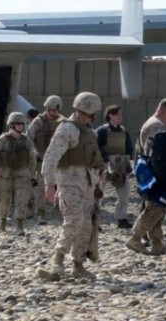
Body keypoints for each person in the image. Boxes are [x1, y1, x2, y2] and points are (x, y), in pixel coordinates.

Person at [36, 92, 105, 281]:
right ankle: (57, 261)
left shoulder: (88, 132)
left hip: (87, 183)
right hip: (68, 182)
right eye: (93, 113)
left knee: (85, 224)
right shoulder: (67, 129)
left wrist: (99, 181)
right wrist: (49, 184)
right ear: (88, 112)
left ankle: (78, 264)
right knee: (74, 220)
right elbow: (51, 157)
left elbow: (94, 160)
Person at [126, 98, 166, 256]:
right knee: (157, 207)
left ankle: (157, 243)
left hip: (148, 171)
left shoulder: (151, 123)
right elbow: (154, 151)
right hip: (153, 172)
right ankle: (135, 238)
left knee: (154, 205)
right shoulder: (157, 126)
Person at [0, 112, 36, 236]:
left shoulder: (26, 140)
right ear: (11, 125)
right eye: (17, 124)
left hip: (22, 174)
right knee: (4, 199)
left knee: (22, 199)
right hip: (5, 174)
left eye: (22, 124)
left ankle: (19, 225)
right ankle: (2, 223)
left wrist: (32, 174)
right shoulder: (3, 139)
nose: (20, 126)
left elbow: (31, 159)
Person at [27, 95, 66, 223]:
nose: (52, 113)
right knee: (40, 187)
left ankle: (60, 210)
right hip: (42, 159)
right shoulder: (38, 121)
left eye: (55, 110)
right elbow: (29, 139)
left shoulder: (63, 122)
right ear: (46, 108)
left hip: (59, 159)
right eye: (50, 110)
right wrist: (35, 154)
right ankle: (40, 213)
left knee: (61, 186)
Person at [95, 105, 134, 229]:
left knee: (125, 193)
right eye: (118, 114)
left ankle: (121, 218)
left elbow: (129, 149)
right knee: (97, 194)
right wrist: (105, 160)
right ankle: (94, 220)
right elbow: (96, 148)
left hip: (120, 166)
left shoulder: (124, 132)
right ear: (110, 115)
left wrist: (127, 165)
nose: (120, 117)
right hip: (104, 166)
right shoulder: (101, 131)